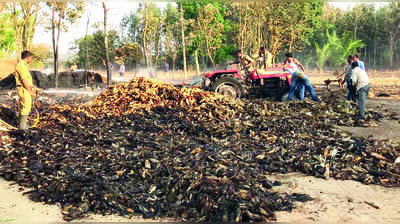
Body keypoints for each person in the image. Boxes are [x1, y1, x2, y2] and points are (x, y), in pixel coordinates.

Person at [15, 50, 36, 130]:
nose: (31, 60)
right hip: (23, 89)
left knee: (23, 106)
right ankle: (22, 127)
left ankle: (22, 125)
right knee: (26, 106)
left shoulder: (24, 65)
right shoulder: (21, 66)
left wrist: (32, 87)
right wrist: (29, 91)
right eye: (31, 58)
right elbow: (24, 80)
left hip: (25, 88)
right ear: (28, 58)